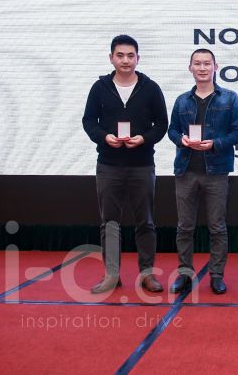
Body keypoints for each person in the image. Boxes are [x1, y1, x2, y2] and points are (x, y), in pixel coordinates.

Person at [82, 34, 167, 294]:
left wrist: (144, 139)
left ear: (138, 58)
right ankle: (112, 275)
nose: (125, 60)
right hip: (109, 165)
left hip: (142, 165)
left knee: (146, 222)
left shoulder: (151, 88)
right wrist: (104, 137)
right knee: (110, 222)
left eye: (131, 56)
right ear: (111, 58)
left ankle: (147, 274)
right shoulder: (100, 88)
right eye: (120, 55)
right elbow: (89, 121)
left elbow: (162, 124)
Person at [167, 48, 238, 295]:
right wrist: (181, 140)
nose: (202, 68)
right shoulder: (182, 100)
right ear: (190, 68)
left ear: (215, 67)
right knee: (184, 227)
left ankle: (217, 276)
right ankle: (184, 274)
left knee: (217, 227)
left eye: (207, 63)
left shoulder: (229, 98)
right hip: (186, 170)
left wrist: (215, 144)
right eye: (197, 64)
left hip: (216, 171)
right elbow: (172, 130)